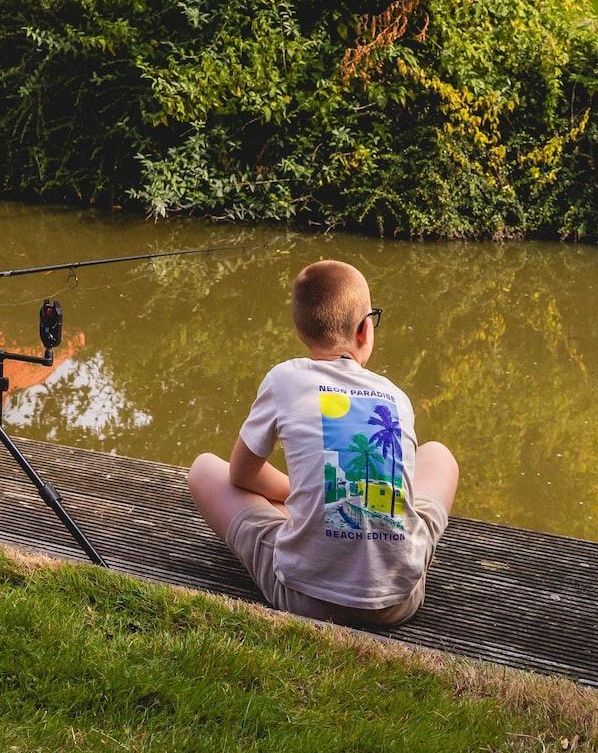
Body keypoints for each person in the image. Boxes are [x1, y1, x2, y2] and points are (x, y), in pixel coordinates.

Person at [187, 259, 458, 627]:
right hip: (397, 599)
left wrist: (293, 496)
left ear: (301, 333)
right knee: (438, 455)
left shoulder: (284, 379)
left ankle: (306, 526)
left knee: (204, 468)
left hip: (305, 598)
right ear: (365, 330)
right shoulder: (395, 396)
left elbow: (241, 474)